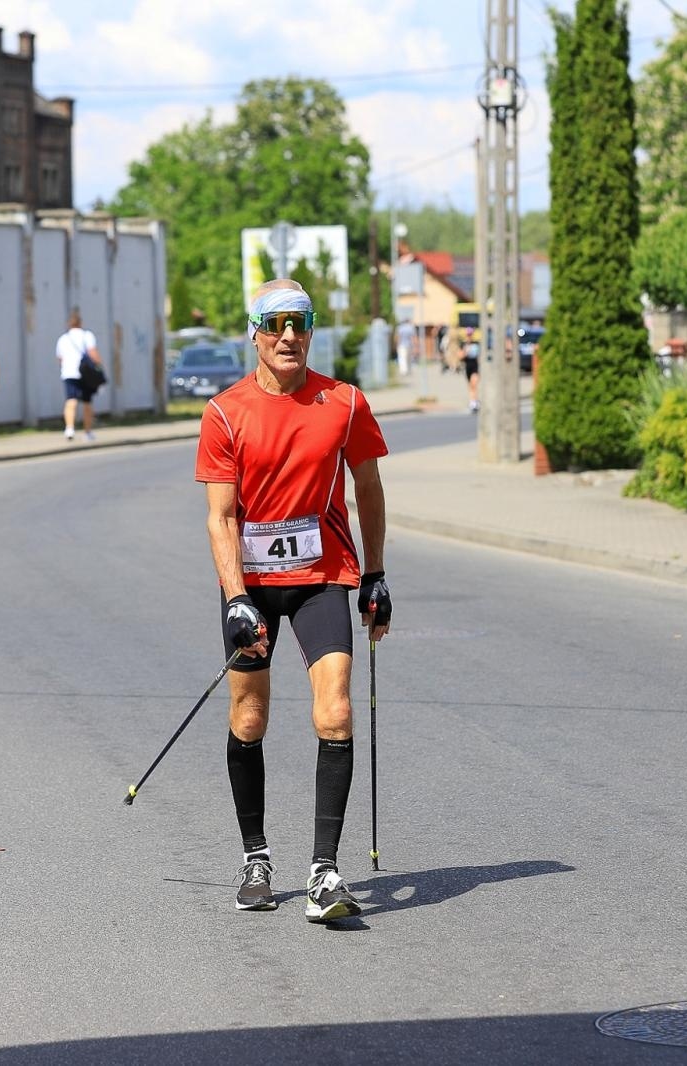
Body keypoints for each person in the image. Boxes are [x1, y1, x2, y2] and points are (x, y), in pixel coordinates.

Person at [194, 278, 392, 924]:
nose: (288, 336)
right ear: (254, 333)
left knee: (336, 711)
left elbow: (369, 488)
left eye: (299, 323)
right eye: (275, 324)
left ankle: (324, 872)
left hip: (322, 575)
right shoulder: (225, 413)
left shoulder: (345, 403)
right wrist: (235, 598)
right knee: (249, 718)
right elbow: (221, 517)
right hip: (251, 586)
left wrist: (376, 574)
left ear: (311, 332)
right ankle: (255, 857)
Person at [55, 311, 103, 441]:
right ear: (80, 323)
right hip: (85, 374)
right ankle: (87, 432)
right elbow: (93, 353)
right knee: (87, 402)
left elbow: (60, 358)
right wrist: (99, 365)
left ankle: (69, 429)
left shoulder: (63, 339)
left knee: (71, 400)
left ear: (69, 324)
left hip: (68, 373)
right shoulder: (86, 335)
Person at [463, 327, 481, 412]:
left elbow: (480, 355)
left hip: (475, 366)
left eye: (470, 334)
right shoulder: (463, 344)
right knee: (470, 385)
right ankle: (472, 401)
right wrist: (465, 352)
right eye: (468, 334)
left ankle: (475, 402)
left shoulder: (476, 344)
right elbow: (460, 356)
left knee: (474, 383)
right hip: (467, 366)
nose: (469, 336)